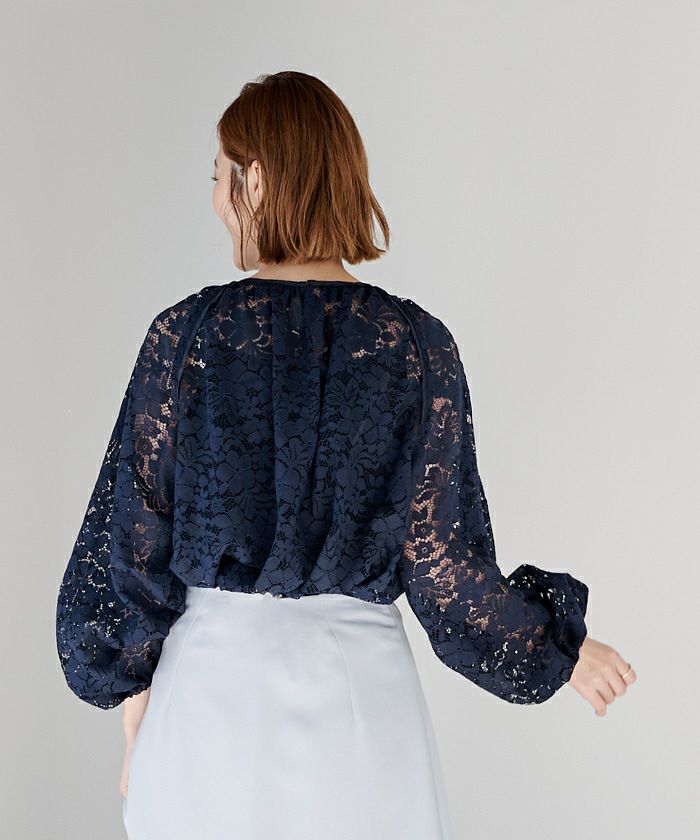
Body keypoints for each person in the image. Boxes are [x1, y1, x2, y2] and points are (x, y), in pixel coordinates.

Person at [55, 71, 636, 840]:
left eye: (219, 177)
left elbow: (134, 549)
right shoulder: (417, 346)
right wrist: (557, 648)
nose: (216, 200)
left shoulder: (185, 338)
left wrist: (137, 719)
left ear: (256, 181)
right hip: (364, 707)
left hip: (209, 704)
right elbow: (440, 564)